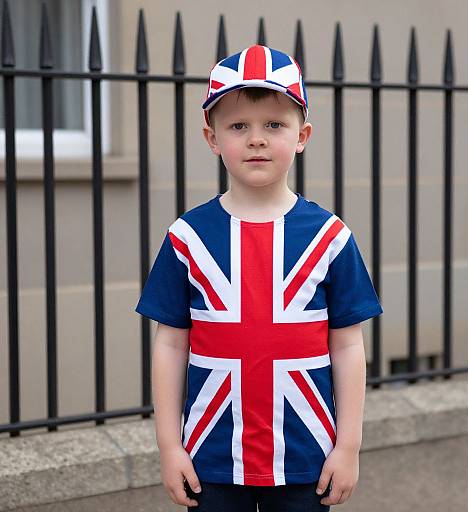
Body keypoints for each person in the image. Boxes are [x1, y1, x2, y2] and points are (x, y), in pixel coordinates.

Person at [135, 44, 383, 512]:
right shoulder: (186, 236)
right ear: (212, 139)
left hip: (306, 456)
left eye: (274, 124)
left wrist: (348, 446)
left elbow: (348, 345)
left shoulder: (330, 236)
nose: (256, 139)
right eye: (238, 126)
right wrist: (170, 447)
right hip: (209, 457)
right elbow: (170, 344)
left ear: (302, 134)